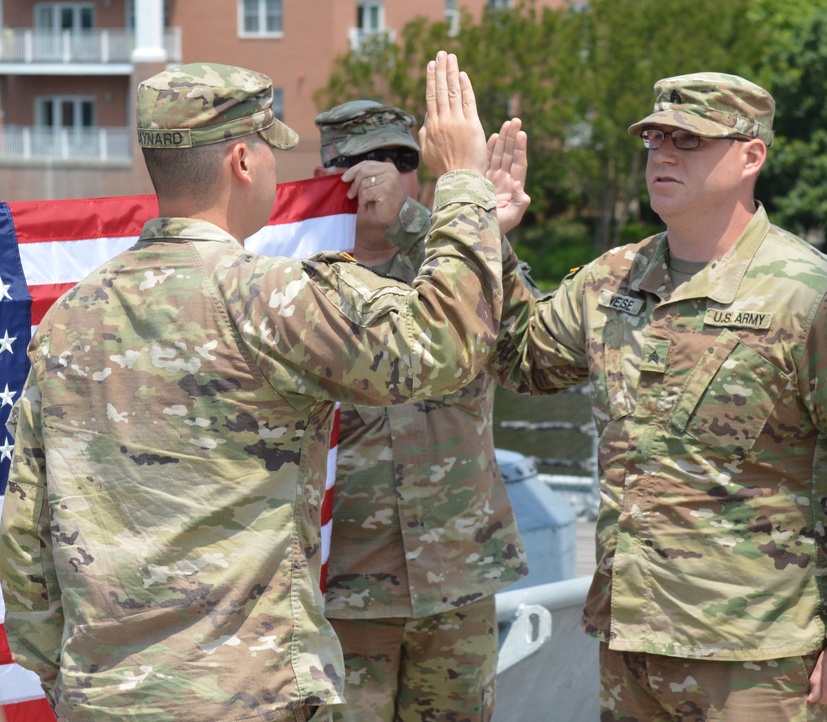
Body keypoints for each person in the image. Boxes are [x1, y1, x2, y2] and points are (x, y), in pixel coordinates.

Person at [0, 52, 504, 722]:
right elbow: (442, 347)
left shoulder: (68, 317)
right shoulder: (271, 298)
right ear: (243, 160)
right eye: (271, 147)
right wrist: (464, 184)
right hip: (248, 697)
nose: (275, 164)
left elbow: (24, 532)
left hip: (106, 698)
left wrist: (65, 679)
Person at [488, 72, 827, 721]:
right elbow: (519, 358)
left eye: (689, 140)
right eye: (654, 139)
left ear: (751, 155)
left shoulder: (813, 294)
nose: (663, 155)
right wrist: (491, 237)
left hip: (758, 662)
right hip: (630, 648)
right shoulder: (615, 278)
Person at [312, 101, 534, 721]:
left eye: (403, 160)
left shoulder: (454, 270)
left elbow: (530, 355)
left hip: (458, 578)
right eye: (357, 162)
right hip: (345, 590)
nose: (382, 175)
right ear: (328, 173)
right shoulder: (298, 281)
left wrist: (452, 227)